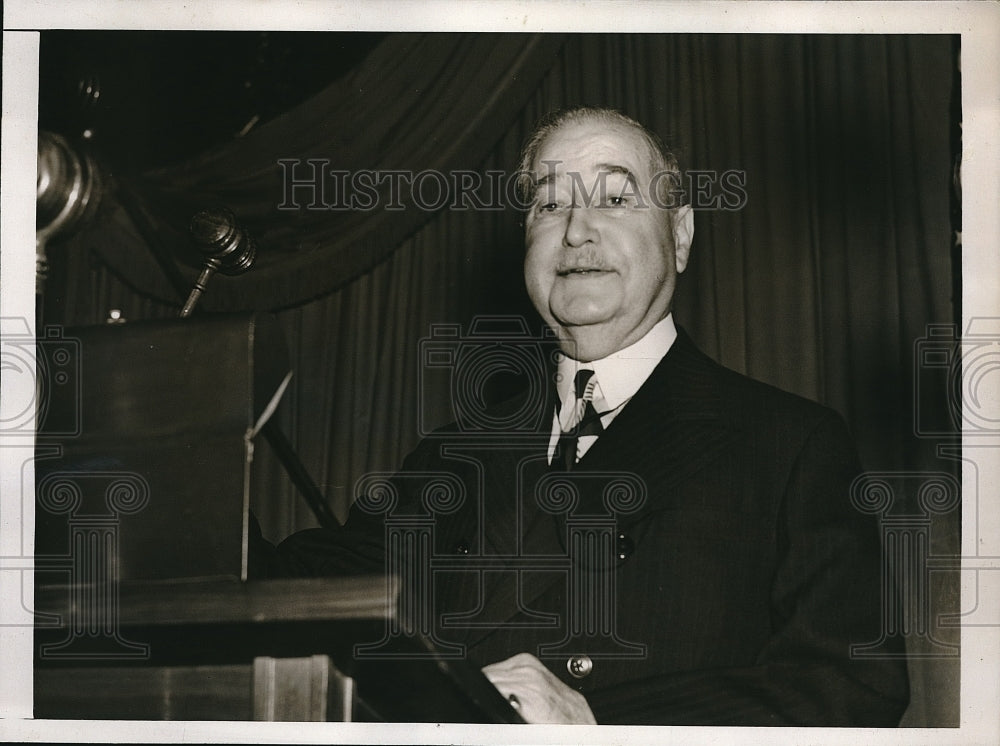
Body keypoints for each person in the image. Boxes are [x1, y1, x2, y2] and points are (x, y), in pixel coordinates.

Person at [252, 106, 910, 725]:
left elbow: (854, 683)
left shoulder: (789, 443)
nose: (576, 230)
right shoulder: (452, 453)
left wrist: (598, 720)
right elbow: (300, 581)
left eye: (615, 199)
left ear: (679, 235)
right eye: (549, 203)